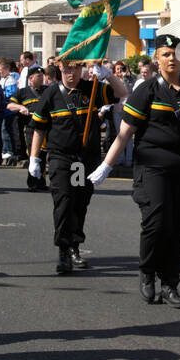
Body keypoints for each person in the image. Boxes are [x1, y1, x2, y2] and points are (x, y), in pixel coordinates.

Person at [91, 35, 180, 307]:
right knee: (157, 223)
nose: (171, 59)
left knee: (179, 228)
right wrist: (107, 165)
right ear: (157, 59)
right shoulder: (148, 90)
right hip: (152, 167)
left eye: (176, 53)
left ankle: (170, 284)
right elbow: (125, 131)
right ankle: (147, 272)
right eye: (166, 54)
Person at [28, 59, 126, 273]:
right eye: (67, 68)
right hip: (61, 158)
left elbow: (121, 92)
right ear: (60, 69)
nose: (71, 73)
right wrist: (34, 158)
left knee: (79, 202)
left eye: (75, 68)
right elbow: (39, 128)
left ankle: (74, 246)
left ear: (81, 69)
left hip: (84, 160)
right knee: (63, 201)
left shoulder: (92, 89)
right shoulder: (51, 94)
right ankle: (63, 250)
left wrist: (107, 74)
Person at [9, 65, 47, 189]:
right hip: (31, 127)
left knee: (43, 154)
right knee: (33, 154)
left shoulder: (48, 90)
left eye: (42, 76)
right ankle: (32, 182)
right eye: (38, 76)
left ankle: (41, 181)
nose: (42, 79)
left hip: (46, 127)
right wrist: (21, 107)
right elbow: (10, 105)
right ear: (31, 78)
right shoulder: (23, 92)